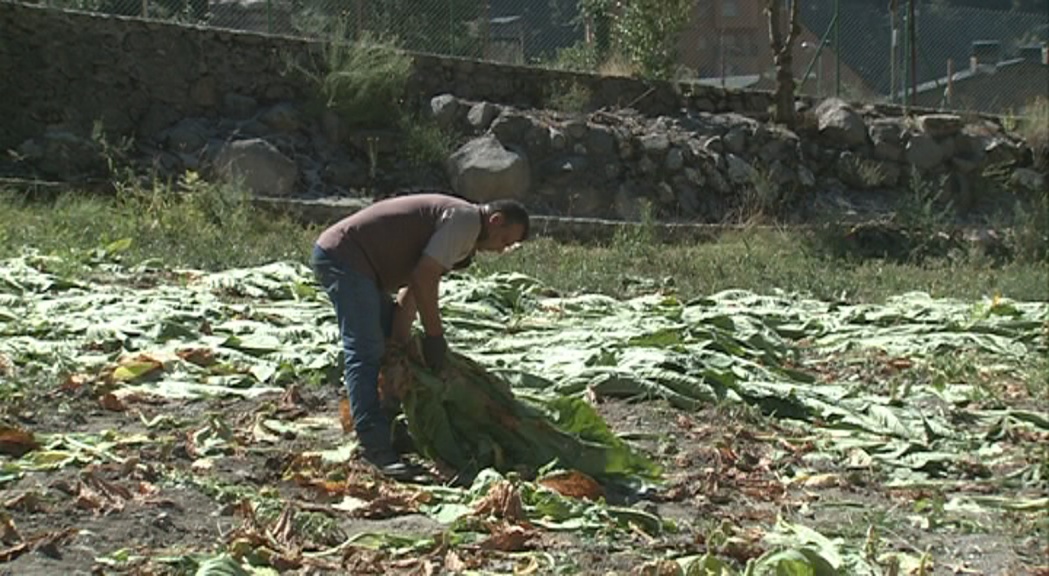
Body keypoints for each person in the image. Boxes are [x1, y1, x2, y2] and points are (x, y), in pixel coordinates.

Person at [310, 192, 531, 479]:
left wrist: (400, 344)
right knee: (365, 350)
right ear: (496, 220)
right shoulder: (465, 221)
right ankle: (374, 445)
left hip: (359, 266)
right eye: (504, 240)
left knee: (388, 341)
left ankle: (388, 422)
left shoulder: (464, 239)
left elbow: (414, 290)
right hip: (345, 257)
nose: (502, 250)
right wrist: (435, 336)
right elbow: (424, 277)